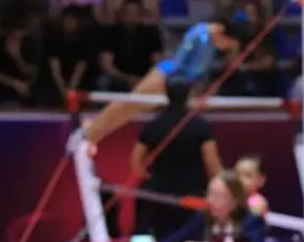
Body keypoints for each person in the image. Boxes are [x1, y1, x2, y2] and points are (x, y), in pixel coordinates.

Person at [81, 14, 253, 149]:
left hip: (181, 86)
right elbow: (180, 62)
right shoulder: (198, 34)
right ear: (222, 33)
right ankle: (89, 133)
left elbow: (201, 72)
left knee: (129, 113)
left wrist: (200, 90)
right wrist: (187, 90)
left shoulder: (213, 43)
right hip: (165, 78)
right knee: (126, 107)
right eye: (228, 44)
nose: (226, 48)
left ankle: (94, 136)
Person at [132, 78, 224, 241]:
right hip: (192, 196)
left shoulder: (152, 125)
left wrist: (151, 177)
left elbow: (135, 163)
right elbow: (213, 165)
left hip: (158, 196)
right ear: (190, 95)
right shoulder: (200, 126)